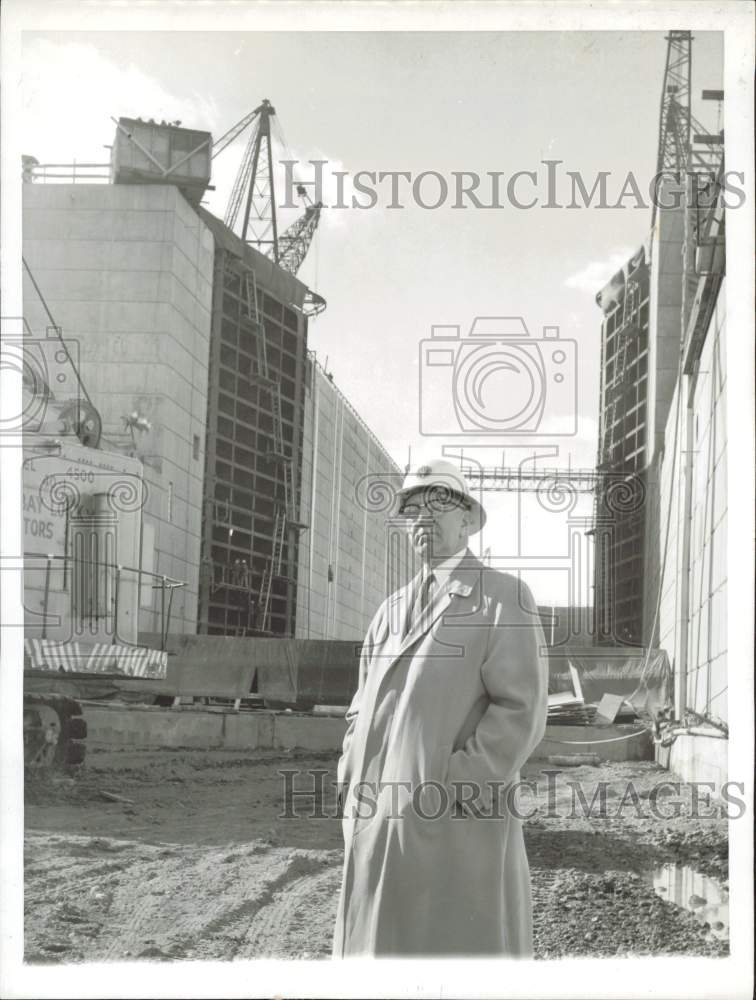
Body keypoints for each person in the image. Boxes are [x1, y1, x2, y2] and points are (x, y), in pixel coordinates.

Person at [332, 458, 548, 957]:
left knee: (452, 955)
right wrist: (351, 770)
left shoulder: (503, 599)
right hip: (376, 822)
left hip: (453, 823)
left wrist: (450, 785)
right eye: (412, 509)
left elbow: (522, 710)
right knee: (379, 955)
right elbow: (358, 708)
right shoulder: (389, 612)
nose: (423, 519)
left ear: (468, 521)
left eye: (438, 505)